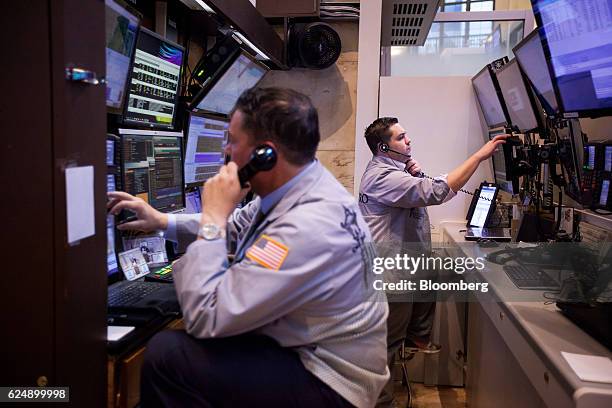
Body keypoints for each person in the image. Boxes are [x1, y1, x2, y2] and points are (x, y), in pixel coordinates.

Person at [108, 87, 389, 408]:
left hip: (331, 382)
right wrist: (162, 222)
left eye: (231, 140)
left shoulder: (307, 225)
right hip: (315, 352)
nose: (224, 150)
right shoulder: (303, 184)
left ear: (264, 155)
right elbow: (238, 227)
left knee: (167, 355)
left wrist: (215, 214)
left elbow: (207, 318)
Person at [358, 117, 508, 407]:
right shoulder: (384, 177)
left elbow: (422, 191)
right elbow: (437, 192)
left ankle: (418, 335)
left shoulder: (394, 171)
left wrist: (417, 173)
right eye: (401, 138)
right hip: (388, 278)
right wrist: (479, 155)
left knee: (434, 268)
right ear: (383, 147)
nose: (408, 141)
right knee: (384, 351)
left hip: (399, 269)